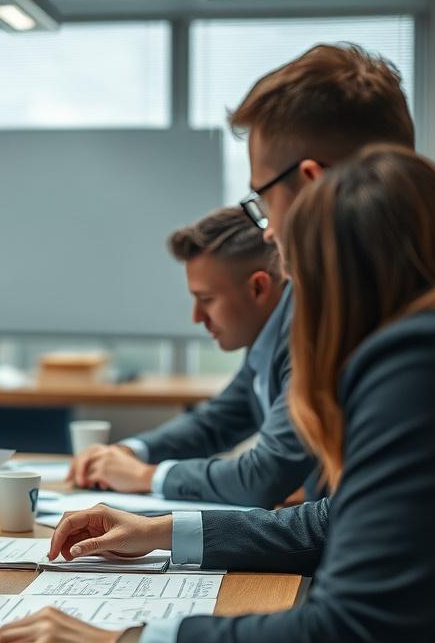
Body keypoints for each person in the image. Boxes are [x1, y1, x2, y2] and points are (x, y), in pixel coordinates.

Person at [0, 144, 435, 643]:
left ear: (343, 283)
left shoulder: (429, 364)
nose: (300, 313)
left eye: (302, 282)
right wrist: (162, 531)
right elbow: (327, 520)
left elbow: (349, 637)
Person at [70, 44, 415, 510]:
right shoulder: (361, 305)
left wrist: (150, 482)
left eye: (263, 198)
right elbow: (331, 520)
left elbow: (283, 489)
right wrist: (145, 478)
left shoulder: (389, 333)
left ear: (312, 185)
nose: (268, 231)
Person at [69, 205, 315, 508]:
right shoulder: (267, 336)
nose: (196, 317)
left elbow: (263, 476)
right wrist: (132, 452)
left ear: (258, 288)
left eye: (206, 300)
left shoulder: (307, 337)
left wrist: (147, 476)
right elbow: (214, 423)